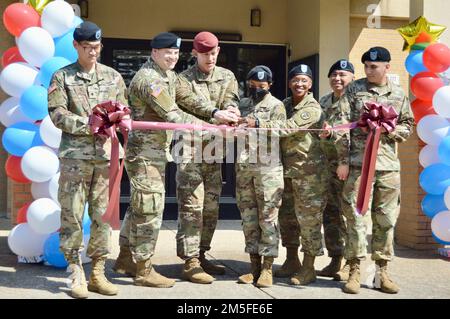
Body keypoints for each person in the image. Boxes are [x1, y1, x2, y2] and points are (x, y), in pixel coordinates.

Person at [115, 32, 238, 288]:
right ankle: (143, 270)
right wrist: (213, 127)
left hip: (156, 152)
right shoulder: (150, 80)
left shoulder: (167, 75)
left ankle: (125, 258)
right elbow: (172, 114)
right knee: (150, 209)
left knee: (139, 206)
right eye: (167, 52)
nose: (172, 57)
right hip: (144, 154)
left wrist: (216, 112)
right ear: (154, 53)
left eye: (175, 53)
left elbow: (186, 101)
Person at [48, 21, 127, 299]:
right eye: (86, 47)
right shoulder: (62, 77)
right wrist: (88, 124)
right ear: (75, 46)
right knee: (71, 213)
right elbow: (56, 114)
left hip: (105, 158)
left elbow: (122, 111)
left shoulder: (114, 77)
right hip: (75, 159)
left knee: (102, 217)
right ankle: (75, 272)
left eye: (96, 47)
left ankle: (98, 272)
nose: (92, 52)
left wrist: (121, 122)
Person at [335, 47, 414, 294]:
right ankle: (354, 269)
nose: (369, 70)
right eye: (367, 66)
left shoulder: (398, 94)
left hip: (388, 166)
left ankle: (382, 271)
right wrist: (343, 160)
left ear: (387, 67)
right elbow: (341, 125)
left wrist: (391, 131)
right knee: (356, 217)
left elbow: (408, 124)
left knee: (386, 219)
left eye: (374, 66)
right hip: (359, 165)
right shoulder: (354, 90)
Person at [244, 64, 327, 286]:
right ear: (289, 82)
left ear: (310, 84)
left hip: (309, 174)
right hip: (285, 171)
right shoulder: (287, 104)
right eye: (295, 80)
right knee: (288, 219)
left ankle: (309, 267)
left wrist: (257, 123)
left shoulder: (312, 108)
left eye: (304, 80)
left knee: (309, 221)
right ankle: (292, 260)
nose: (299, 84)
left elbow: (287, 127)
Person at [174, 31, 240, 284]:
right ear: (194, 53)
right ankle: (189, 261)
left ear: (218, 51)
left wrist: (232, 110)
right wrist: (216, 113)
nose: (210, 58)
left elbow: (231, 99)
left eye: (213, 53)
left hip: (214, 152)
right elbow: (189, 103)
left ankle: (201, 254)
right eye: (205, 54)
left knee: (210, 207)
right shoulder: (183, 80)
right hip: (189, 152)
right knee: (192, 207)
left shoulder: (227, 76)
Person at [235, 66, 285, 288]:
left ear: (270, 85)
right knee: (249, 219)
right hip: (245, 169)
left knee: (268, 218)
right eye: (253, 85)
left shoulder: (276, 105)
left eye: (262, 86)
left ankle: (267, 268)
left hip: (268, 170)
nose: (257, 89)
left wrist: (259, 123)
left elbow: (283, 129)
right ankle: (253, 266)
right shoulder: (243, 105)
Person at [317, 59, 355, 280]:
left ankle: (352, 263)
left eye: (342, 74)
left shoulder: (357, 103)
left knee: (349, 215)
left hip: (348, 168)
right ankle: (335, 259)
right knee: (330, 215)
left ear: (352, 77)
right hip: (326, 168)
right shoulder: (323, 101)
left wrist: (345, 161)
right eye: (334, 75)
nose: (337, 79)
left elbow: (354, 136)